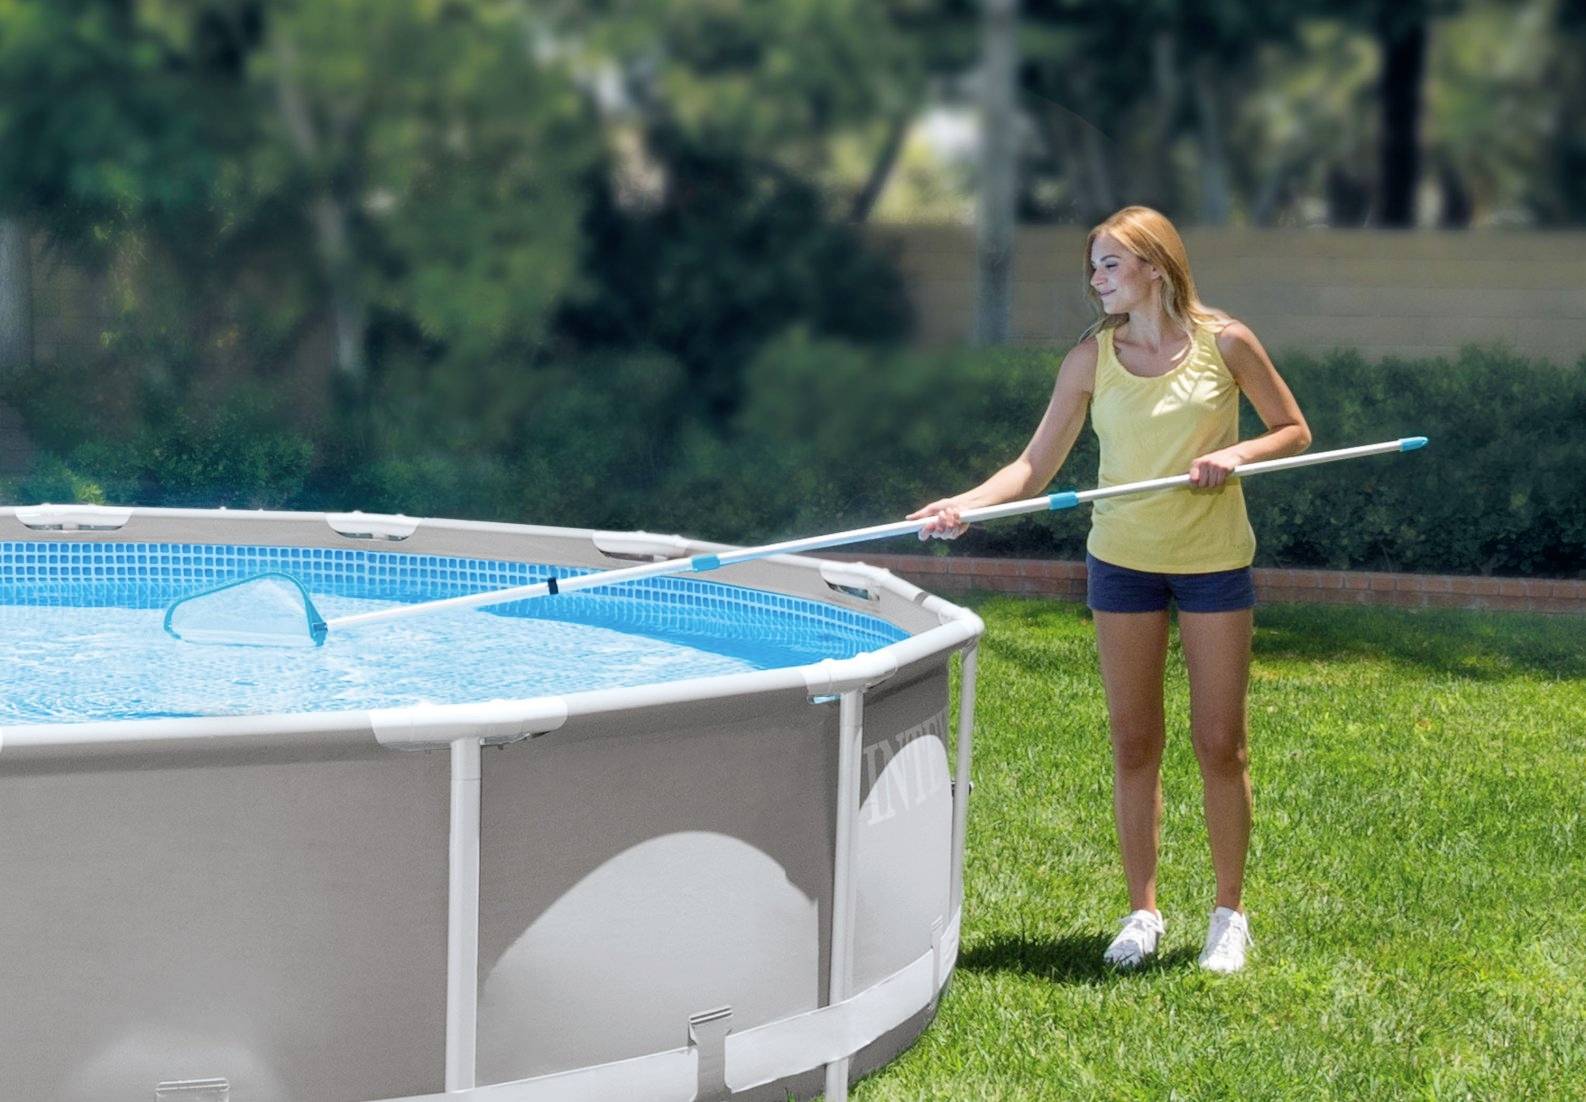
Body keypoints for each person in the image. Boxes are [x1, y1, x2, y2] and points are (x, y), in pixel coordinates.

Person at [909, 206, 1310, 973]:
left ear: (1156, 266)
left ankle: (1229, 915)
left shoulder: (1225, 343)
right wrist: (967, 507)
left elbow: (1293, 429)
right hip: (1121, 561)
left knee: (1220, 744)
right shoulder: (1091, 359)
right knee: (1135, 742)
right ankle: (1144, 913)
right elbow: (1033, 468)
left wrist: (1237, 455)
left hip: (1212, 560)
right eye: (1093, 266)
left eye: (1111, 265)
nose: (1096, 280)